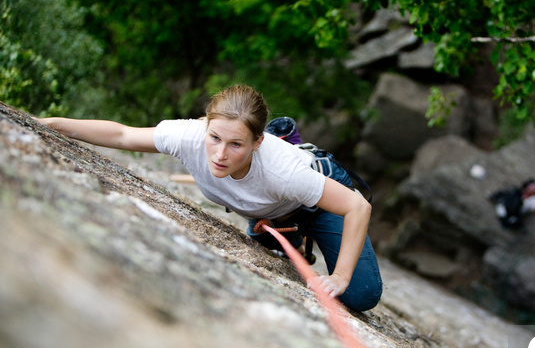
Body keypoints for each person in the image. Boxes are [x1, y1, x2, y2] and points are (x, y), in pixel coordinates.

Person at [36, 85, 383, 312]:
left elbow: (357, 206)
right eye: (215, 138)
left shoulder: (282, 172)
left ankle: (290, 214)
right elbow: (123, 134)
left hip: (315, 196)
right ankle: (277, 224)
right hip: (272, 207)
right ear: (206, 127)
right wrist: (49, 123)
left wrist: (338, 278)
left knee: (360, 294)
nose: (219, 154)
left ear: (257, 143)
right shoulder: (188, 136)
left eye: (236, 145)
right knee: (268, 239)